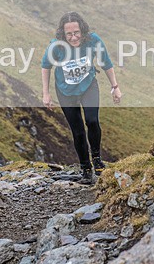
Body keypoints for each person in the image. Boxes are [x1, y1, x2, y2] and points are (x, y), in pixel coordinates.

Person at [41, 12, 122, 185]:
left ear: (82, 30)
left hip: (88, 86)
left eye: (76, 32)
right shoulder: (56, 46)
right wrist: (46, 94)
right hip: (65, 91)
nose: (73, 37)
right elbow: (45, 66)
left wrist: (115, 87)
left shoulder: (93, 40)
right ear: (63, 34)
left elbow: (106, 63)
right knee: (77, 131)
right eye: (69, 34)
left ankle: (97, 161)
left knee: (92, 121)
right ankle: (86, 169)